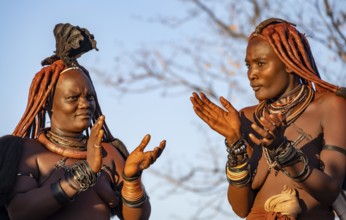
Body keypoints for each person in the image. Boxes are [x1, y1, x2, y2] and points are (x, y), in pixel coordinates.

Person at [5, 23, 166, 220]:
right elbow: (20, 212)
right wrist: (85, 173)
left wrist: (132, 180)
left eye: (89, 97)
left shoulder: (109, 154)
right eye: (73, 97)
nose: (85, 104)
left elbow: (136, 218)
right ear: (49, 104)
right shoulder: (29, 152)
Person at [190, 18, 346, 219]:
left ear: (289, 63)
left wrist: (283, 150)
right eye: (248, 65)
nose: (251, 74)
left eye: (261, 64)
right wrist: (235, 144)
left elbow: (330, 190)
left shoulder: (332, 106)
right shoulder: (247, 117)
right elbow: (241, 209)